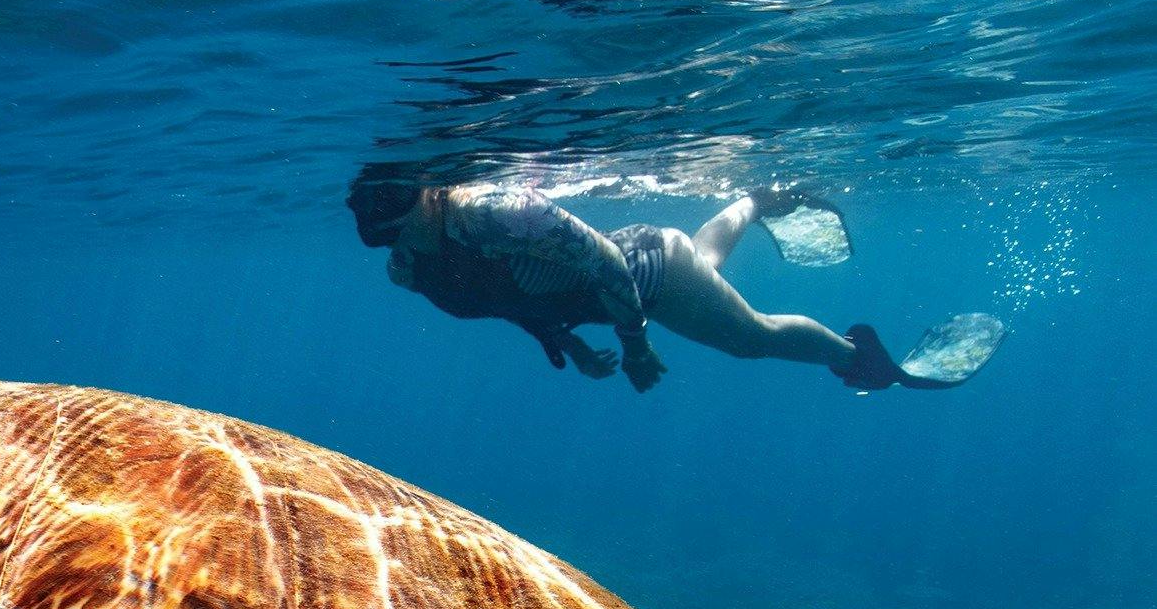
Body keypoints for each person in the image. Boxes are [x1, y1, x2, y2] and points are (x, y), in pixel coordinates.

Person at [346, 173, 916, 393]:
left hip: (646, 270)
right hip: (602, 296)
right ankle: (751, 201)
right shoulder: (408, 270)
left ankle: (858, 354)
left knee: (750, 338)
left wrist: (637, 347)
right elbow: (499, 299)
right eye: (378, 217)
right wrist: (561, 341)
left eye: (402, 197)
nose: (395, 219)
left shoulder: (498, 211)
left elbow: (610, 266)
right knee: (707, 264)